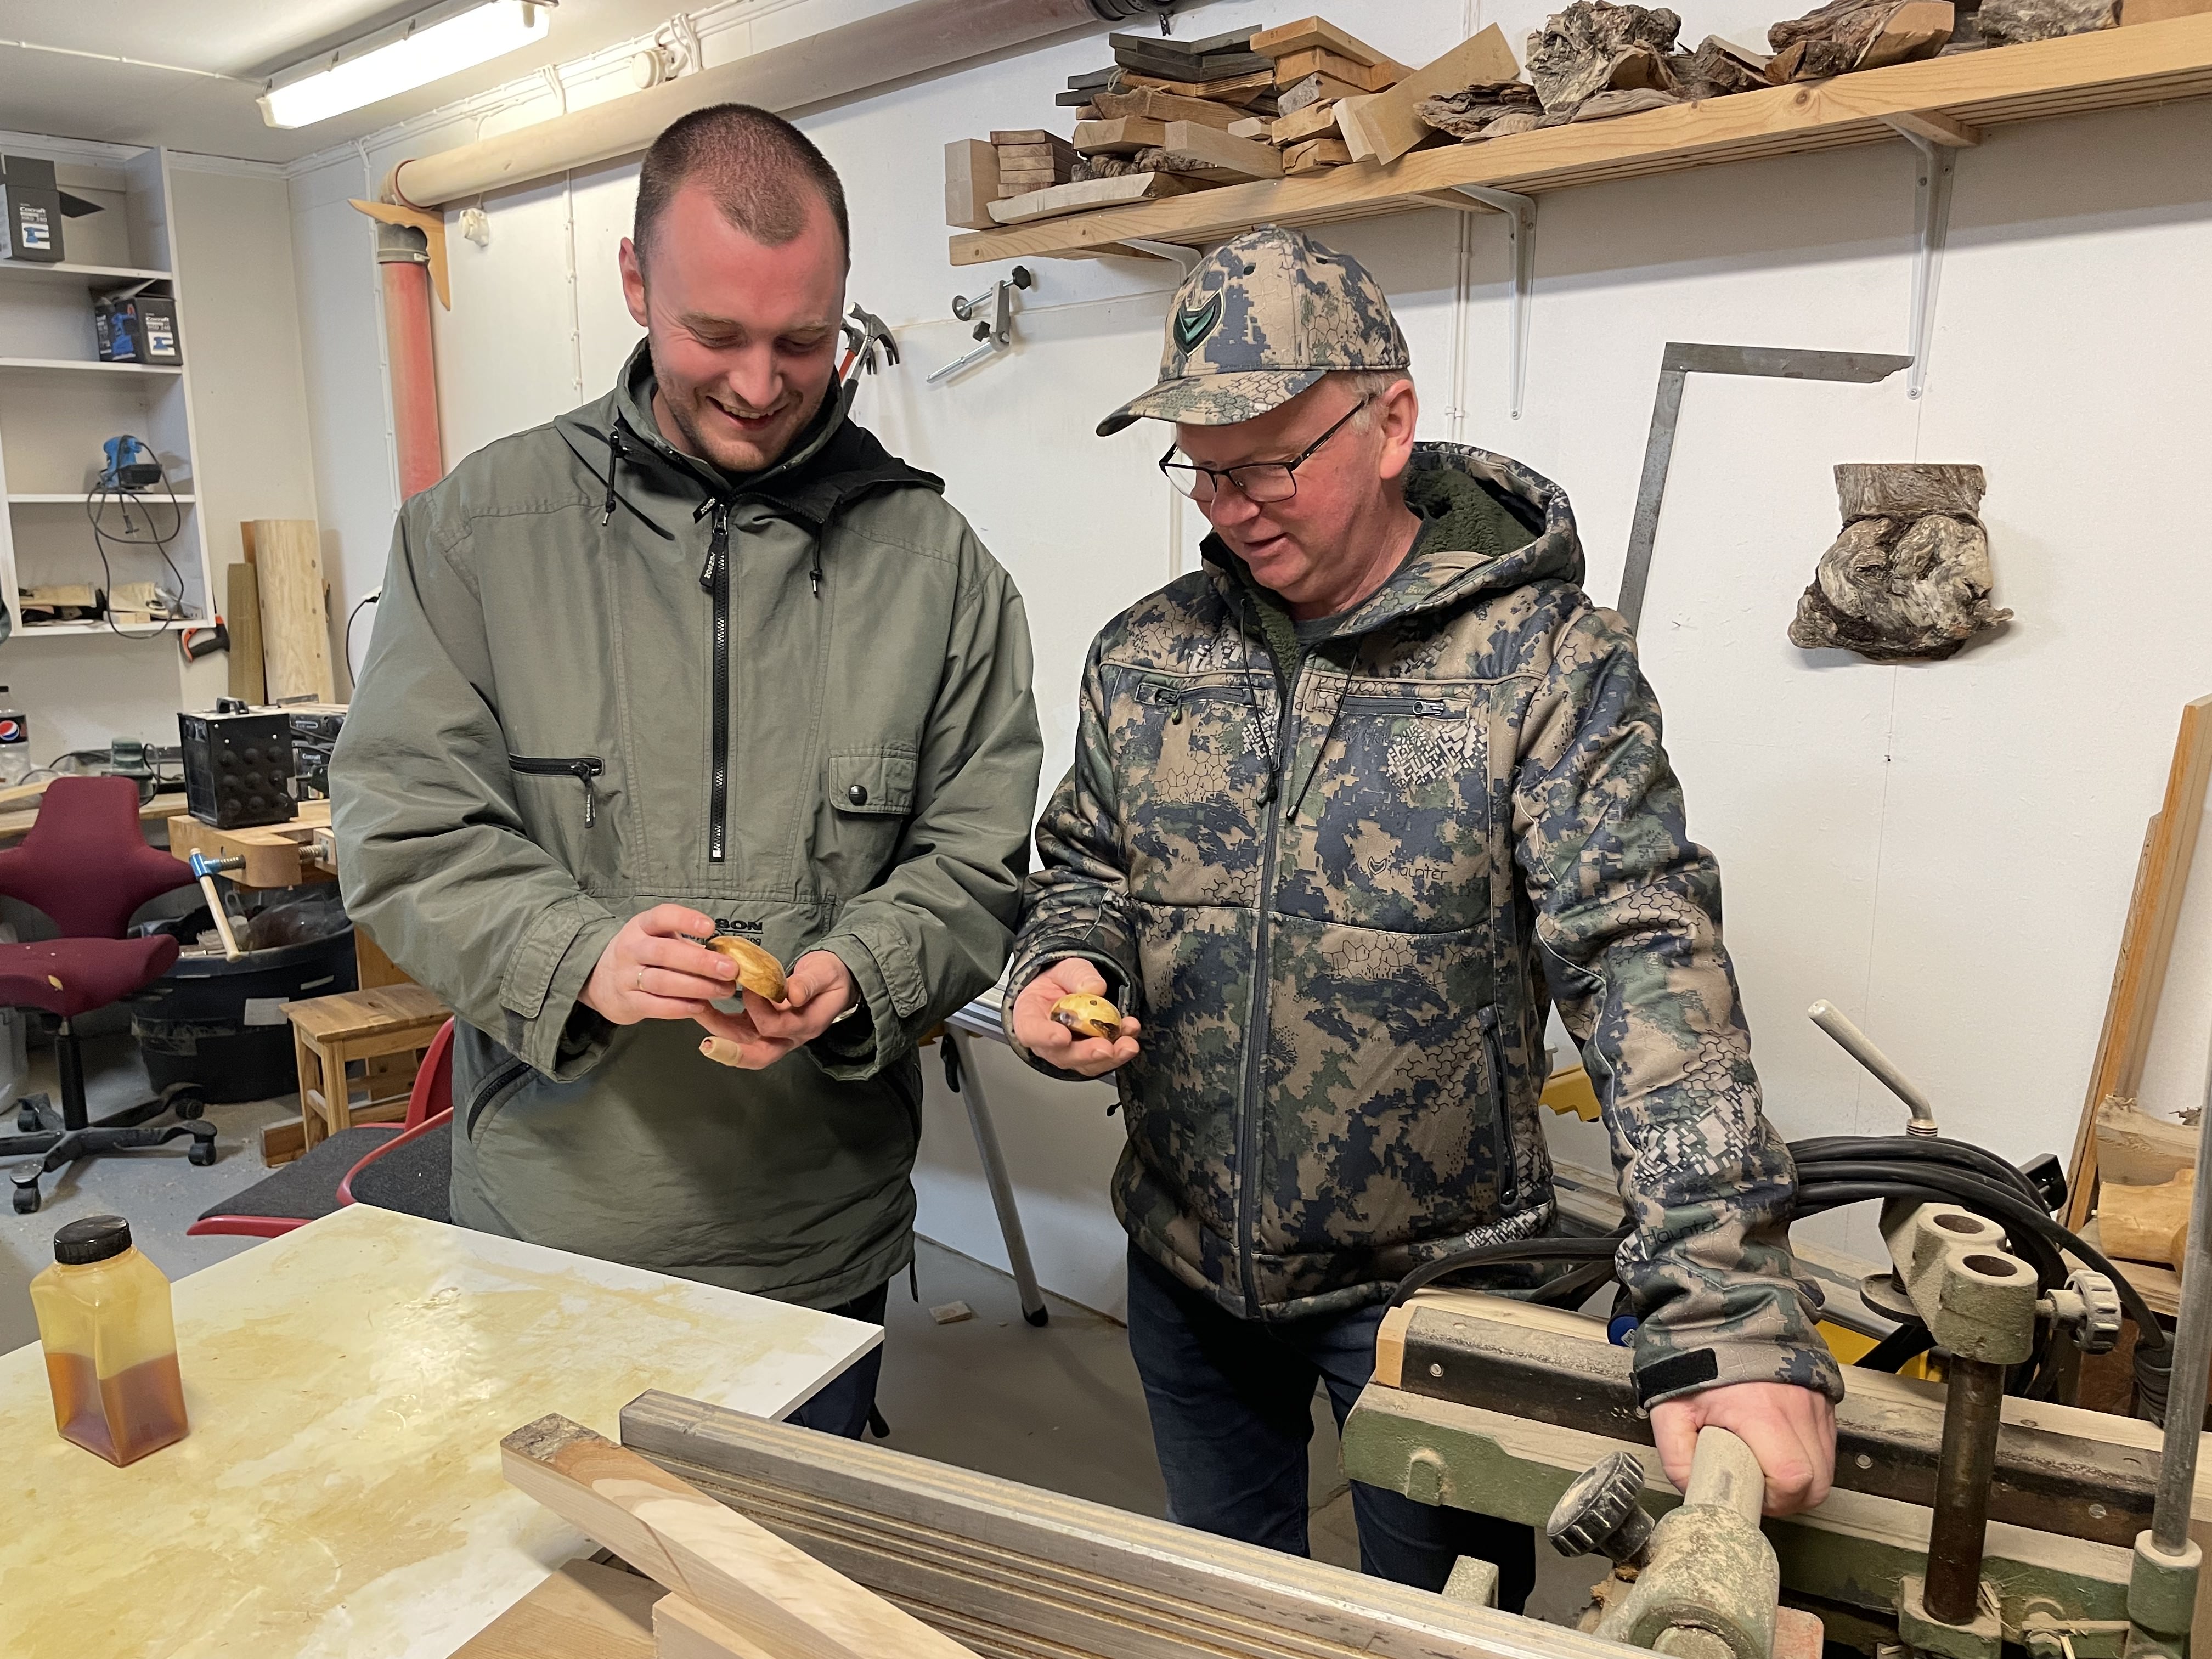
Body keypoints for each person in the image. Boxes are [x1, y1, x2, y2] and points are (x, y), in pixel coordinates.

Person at [1002, 227, 1838, 1599]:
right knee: (1233, 1606)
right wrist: (1063, 963)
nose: (1231, 507)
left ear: (1390, 422)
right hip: (1185, 1263)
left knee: (1441, 1623)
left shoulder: (1545, 663)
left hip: (1437, 1295)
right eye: (1202, 469)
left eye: (1268, 463)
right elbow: (1086, 867)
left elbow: (1643, 959)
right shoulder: (1147, 656)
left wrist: (1727, 1306)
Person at [333, 104, 1042, 1437]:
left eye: (804, 342)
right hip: (550, 1229)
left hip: (815, 1247)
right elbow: (406, 832)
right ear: (634, 282)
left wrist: (863, 972)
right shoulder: (478, 533)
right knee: (562, 1566)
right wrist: (575, 957)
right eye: (716, 334)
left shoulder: (939, 571)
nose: (762, 385)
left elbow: (974, 857)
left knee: (778, 1562)